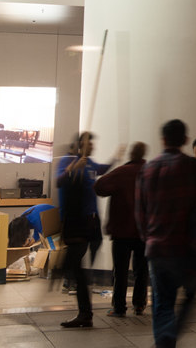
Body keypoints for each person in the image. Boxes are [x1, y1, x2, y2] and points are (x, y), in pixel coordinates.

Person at [137, 119, 196, 348]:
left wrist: (149, 239)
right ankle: (168, 338)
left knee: (162, 303)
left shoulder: (148, 169)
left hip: (158, 249)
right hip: (186, 249)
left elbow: (140, 213)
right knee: (191, 295)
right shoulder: (193, 168)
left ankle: (165, 340)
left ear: (162, 140)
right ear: (185, 140)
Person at [57, 131, 122, 328]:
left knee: (80, 267)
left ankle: (85, 311)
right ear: (80, 145)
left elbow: (103, 169)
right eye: (88, 143)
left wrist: (115, 158)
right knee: (77, 267)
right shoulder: (69, 162)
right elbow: (60, 182)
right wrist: (72, 168)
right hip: (77, 223)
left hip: (91, 223)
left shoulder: (91, 163)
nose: (92, 146)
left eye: (92, 143)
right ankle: (84, 309)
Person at [94, 141, 149, 317]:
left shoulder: (121, 173)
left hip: (122, 231)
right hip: (144, 232)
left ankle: (119, 307)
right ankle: (139, 305)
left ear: (131, 154)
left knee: (120, 271)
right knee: (142, 270)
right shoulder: (151, 173)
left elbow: (100, 186)